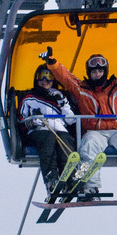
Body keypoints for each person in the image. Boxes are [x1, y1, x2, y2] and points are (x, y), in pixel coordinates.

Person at [44, 44, 117, 200]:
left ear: (105, 72)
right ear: (89, 73)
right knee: (88, 147)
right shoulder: (81, 89)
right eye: (93, 72)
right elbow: (65, 77)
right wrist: (53, 64)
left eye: (100, 71)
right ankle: (90, 187)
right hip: (95, 131)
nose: (97, 74)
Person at [17, 64, 78, 193]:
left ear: (53, 80)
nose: (45, 80)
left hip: (60, 129)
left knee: (65, 141)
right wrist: (30, 122)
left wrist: (62, 101)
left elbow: (71, 120)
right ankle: (51, 178)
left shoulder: (60, 97)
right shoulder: (29, 98)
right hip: (39, 130)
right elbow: (21, 118)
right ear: (37, 79)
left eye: (49, 77)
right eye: (41, 77)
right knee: (48, 140)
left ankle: (69, 178)